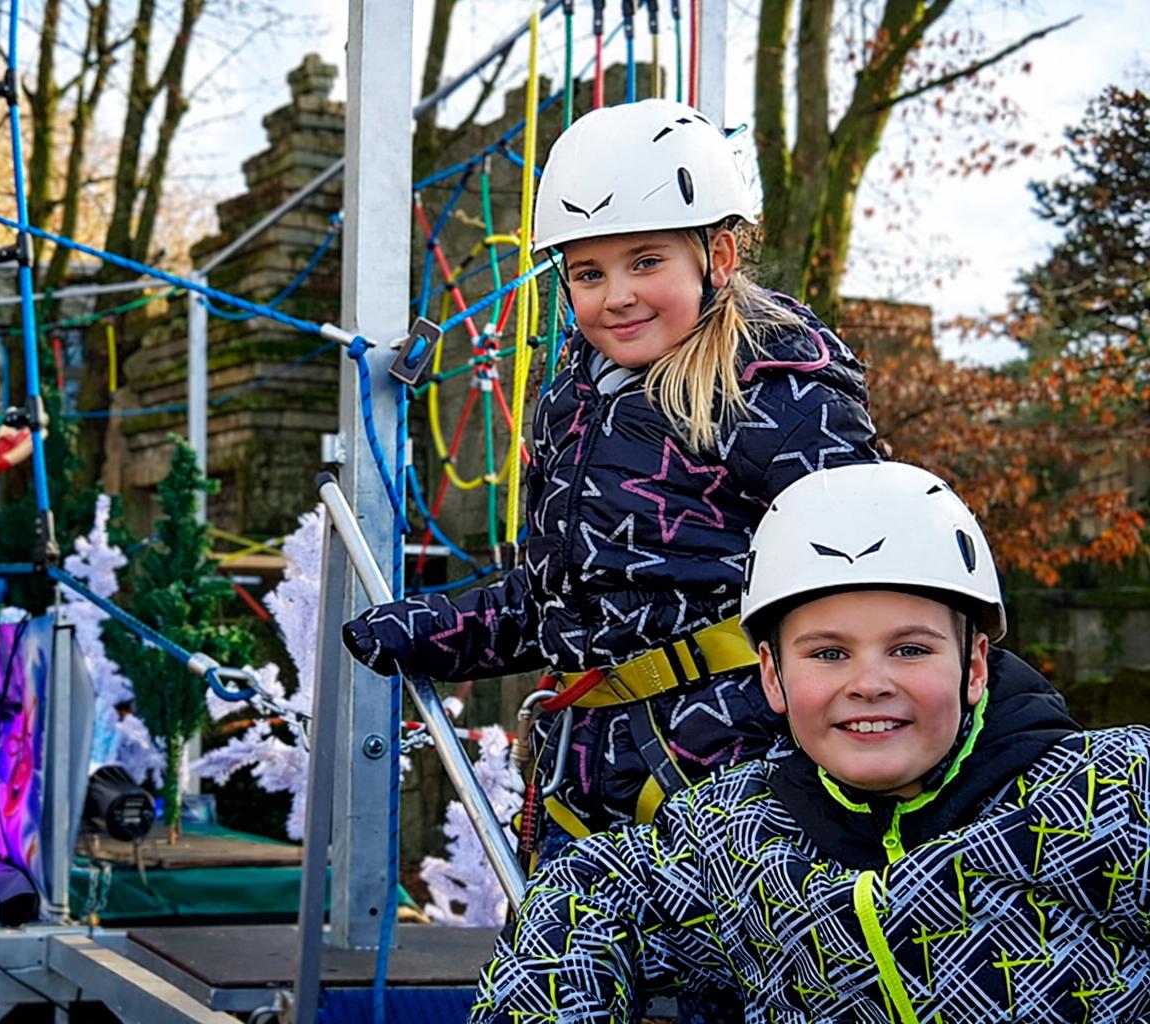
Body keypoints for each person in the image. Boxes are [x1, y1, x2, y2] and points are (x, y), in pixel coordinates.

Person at [344, 99, 878, 857]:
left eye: (647, 261)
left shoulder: (778, 396)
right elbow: (556, 604)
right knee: (553, 972)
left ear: (719, 258)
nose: (617, 294)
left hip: (731, 776)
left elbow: (870, 589)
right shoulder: (575, 405)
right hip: (582, 769)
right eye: (589, 271)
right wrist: (433, 630)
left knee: (697, 973)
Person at [466, 461, 1150, 1022]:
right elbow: (589, 892)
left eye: (910, 649)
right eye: (828, 654)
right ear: (773, 676)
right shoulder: (738, 839)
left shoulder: (1104, 799)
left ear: (974, 666)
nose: (870, 683)